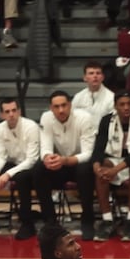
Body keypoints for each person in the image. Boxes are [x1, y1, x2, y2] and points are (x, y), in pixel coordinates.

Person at [33, 91, 97, 240]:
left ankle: (87, 220)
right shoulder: (46, 117)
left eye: (64, 105)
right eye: (56, 107)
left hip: (79, 163)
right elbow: (46, 146)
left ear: (70, 105)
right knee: (39, 169)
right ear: (51, 108)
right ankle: (50, 222)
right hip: (60, 164)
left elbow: (88, 153)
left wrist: (65, 160)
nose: (61, 110)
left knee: (84, 170)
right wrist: (48, 158)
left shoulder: (84, 118)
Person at [91, 91, 130, 242]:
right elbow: (99, 146)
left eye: (129, 104)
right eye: (122, 104)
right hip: (113, 159)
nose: (126, 107)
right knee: (102, 168)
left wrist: (116, 170)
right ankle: (107, 220)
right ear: (115, 106)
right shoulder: (106, 120)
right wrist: (96, 165)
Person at [0, 98, 39, 240]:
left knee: (22, 178)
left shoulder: (31, 126)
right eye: (7, 112)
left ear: (19, 111)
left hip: (32, 167)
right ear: (2, 115)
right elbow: (1, 156)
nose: (11, 114)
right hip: (14, 164)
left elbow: (31, 159)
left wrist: (7, 175)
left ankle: (27, 224)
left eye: (14, 110)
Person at [71, 61, 114, 125]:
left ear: (102, 77)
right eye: (91, 73)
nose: (95, 76)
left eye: (98, 73)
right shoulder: (78, 97)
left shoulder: (111, 97)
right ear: (85, 78)